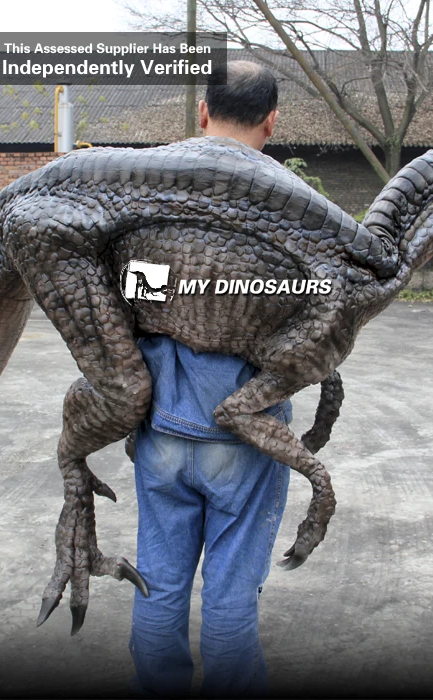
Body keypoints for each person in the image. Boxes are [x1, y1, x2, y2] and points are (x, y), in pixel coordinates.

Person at [128, 61, 291, 698]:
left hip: (162, 427)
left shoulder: (151, 189)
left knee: (158, 584)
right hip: (244, 434)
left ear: (202, 112)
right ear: (271, 122)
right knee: (230, 595)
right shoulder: (289, 204)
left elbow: (132, 302)